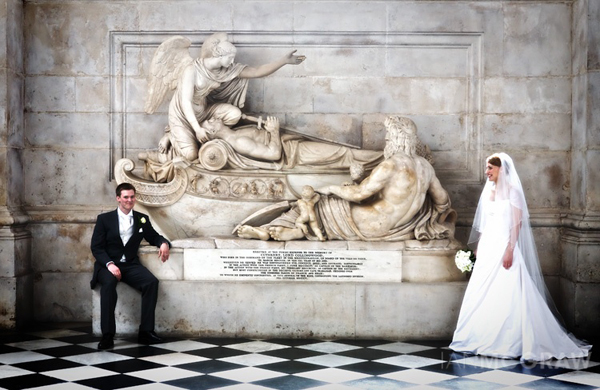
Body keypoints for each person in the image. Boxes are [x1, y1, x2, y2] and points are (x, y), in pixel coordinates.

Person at [450, 153, 592, 361]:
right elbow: (486, 224)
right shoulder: (489, 191)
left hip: (504, 245)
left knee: (509, 288)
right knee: (481, 290)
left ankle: (511, 340)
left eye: (490, 168)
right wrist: (479, 247)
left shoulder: (513, 192)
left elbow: (517, 223)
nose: (486, 172)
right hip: (489, 245)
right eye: (486, 168)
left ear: (501, 169)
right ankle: (478, 335)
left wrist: (509, 249)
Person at [236, 116, 455, 241]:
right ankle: (294, 229)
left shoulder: (392, 164)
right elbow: (442, 200)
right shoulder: (425, 167)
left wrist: (330, 188)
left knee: (318, 202)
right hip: (396, 227)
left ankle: (276, 229)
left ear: (396, 139)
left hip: (368, 224)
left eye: (388, 137)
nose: (386, 141)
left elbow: (359, 194)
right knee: (318, 204)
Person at [90, 183, 171, 350]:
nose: (129, 200)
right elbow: (96, 247)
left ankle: (146, 332)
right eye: (125, 197)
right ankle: (107, 335)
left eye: (132, 197)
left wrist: (163, 243)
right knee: (109, 284)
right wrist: (109, 264)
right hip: (107, 266)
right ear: (118, 198)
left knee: (151, 282)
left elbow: (153, 236)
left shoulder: (142, 218)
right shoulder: (104, 219)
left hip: (130, 265)